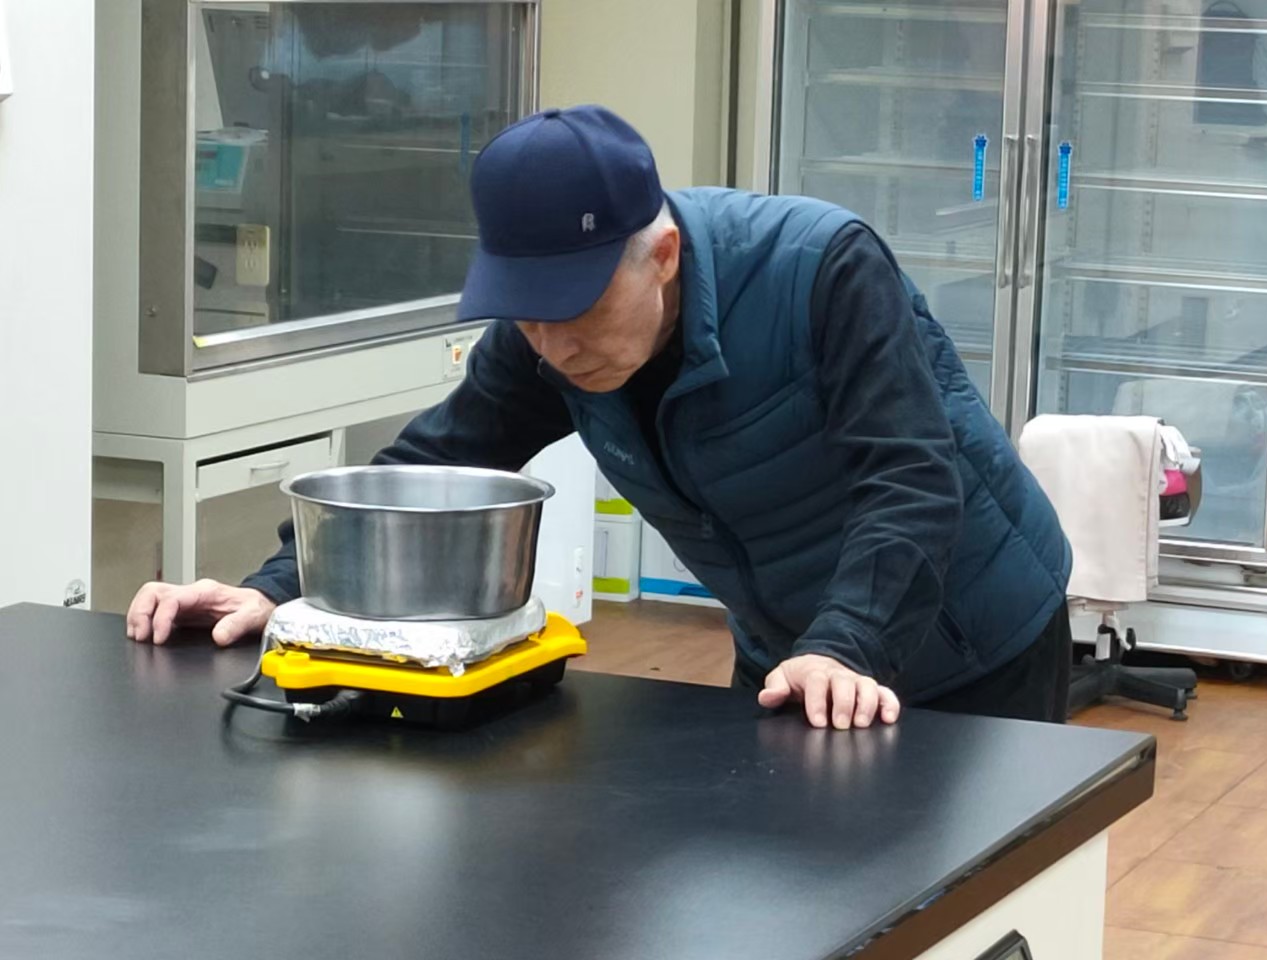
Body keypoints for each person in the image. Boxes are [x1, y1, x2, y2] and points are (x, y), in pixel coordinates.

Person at [127, 105, 1073, 729]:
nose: (553, 347)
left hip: (976, 641)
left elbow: (910, 481)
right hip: (792, 652)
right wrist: (277, 588)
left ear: (662, 255)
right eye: (527, 314)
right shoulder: (545, 339)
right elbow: (427, 470)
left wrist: (844, 644)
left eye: (575, 310)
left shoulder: (823, 269)